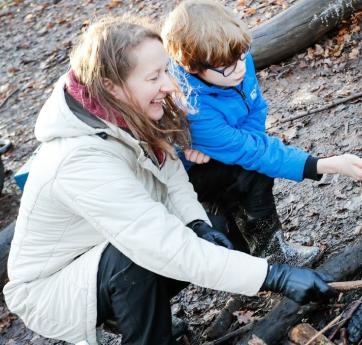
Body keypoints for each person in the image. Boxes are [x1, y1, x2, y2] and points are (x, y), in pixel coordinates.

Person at [3, 15, 332, 345]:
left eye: (166, 70)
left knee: (210, 224)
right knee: (134, 261)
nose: (170, 85)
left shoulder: (121, 109)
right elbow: (158, 244)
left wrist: (196, 224)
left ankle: (135, 308)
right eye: (154, 76)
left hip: (112, 242)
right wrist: (272, 277)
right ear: (111, 85)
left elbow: (171, 173)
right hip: (56, 286)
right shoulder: (79, 160)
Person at [161, 0, 362, 266]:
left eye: (242, 56)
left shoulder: (235, 59)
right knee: (252, 172)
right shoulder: (194, 108)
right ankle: (264, 257)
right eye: (227, 66)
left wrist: (251, 139)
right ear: (193, 67)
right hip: (187, 179)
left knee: (251, 165)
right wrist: (324, 165)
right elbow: (253, 151)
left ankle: (260, 253)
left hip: (221, 149)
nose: (240, 68)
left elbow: (255, 107)